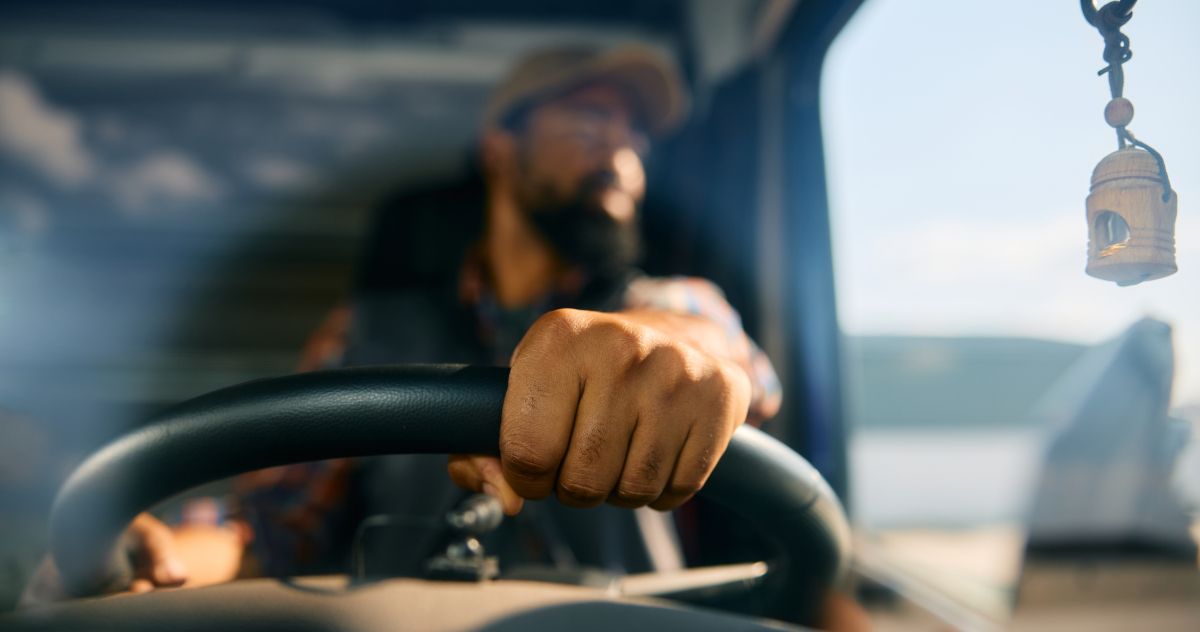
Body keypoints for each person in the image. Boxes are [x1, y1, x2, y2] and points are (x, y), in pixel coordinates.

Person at [23, 44, 784, 601]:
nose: (623, 151)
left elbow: (719, 351)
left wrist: (667, 349)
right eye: (589, 119)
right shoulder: (364, 332)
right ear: (498, 148)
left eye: (636, 136)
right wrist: (149, 553)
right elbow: (273, 524)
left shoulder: (674, 301)